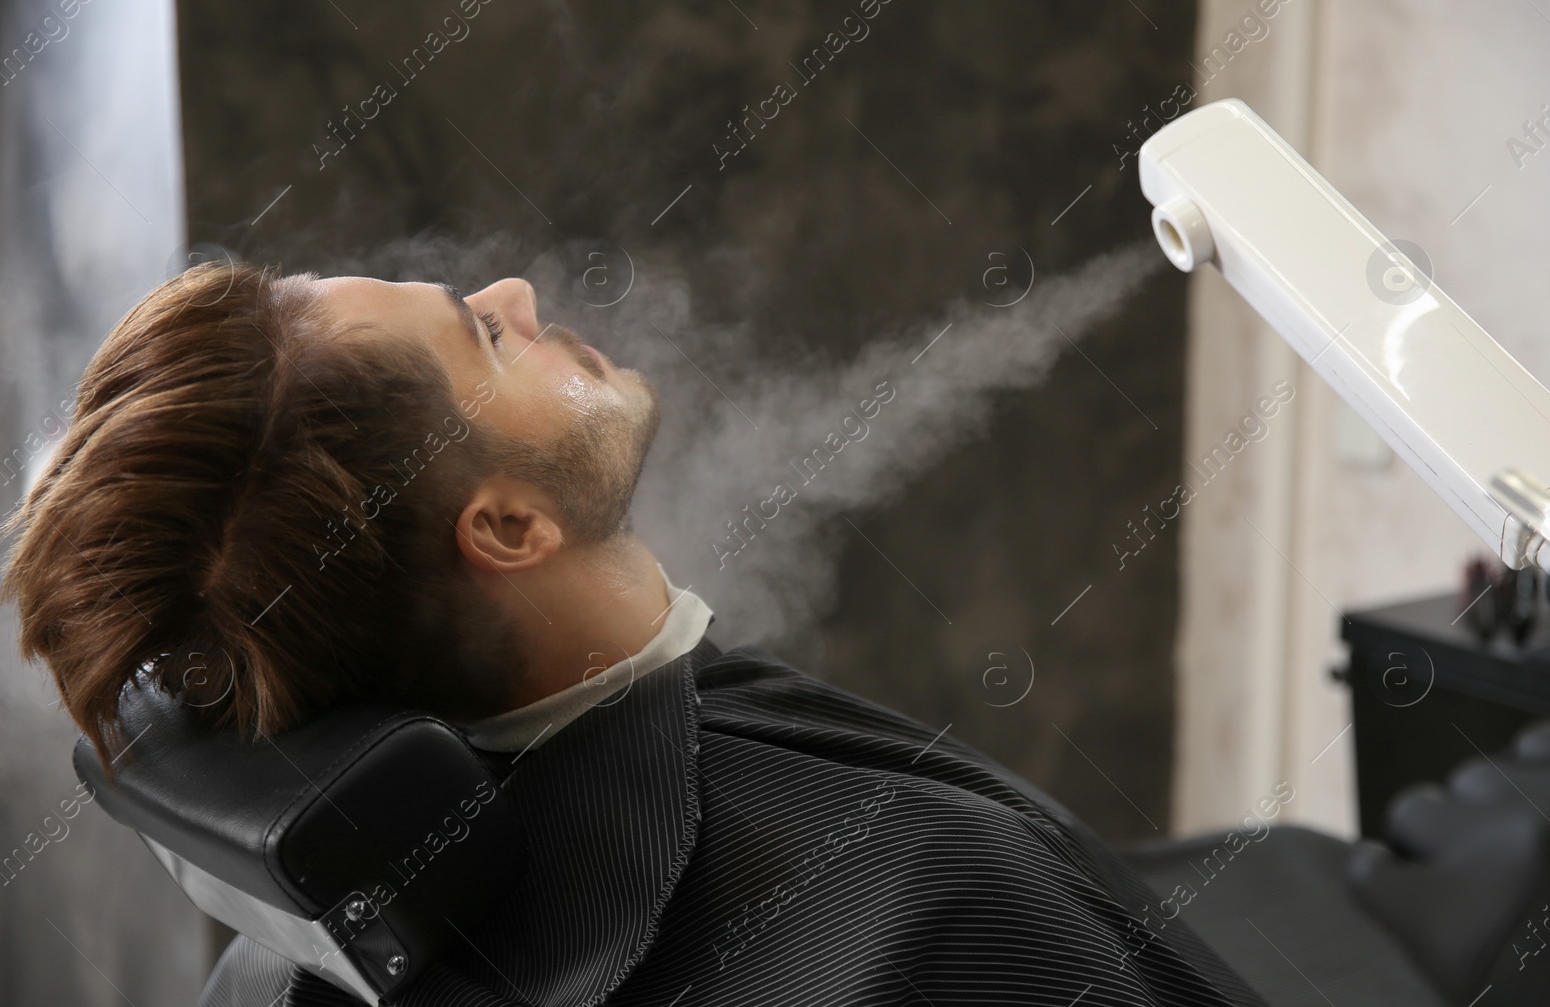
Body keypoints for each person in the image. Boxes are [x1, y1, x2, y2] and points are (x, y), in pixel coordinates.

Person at [2, 262, 1262, 1006]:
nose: (516, 292)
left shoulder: (284, 971)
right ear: (506, 527)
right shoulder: (930, 896)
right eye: (483, 334)